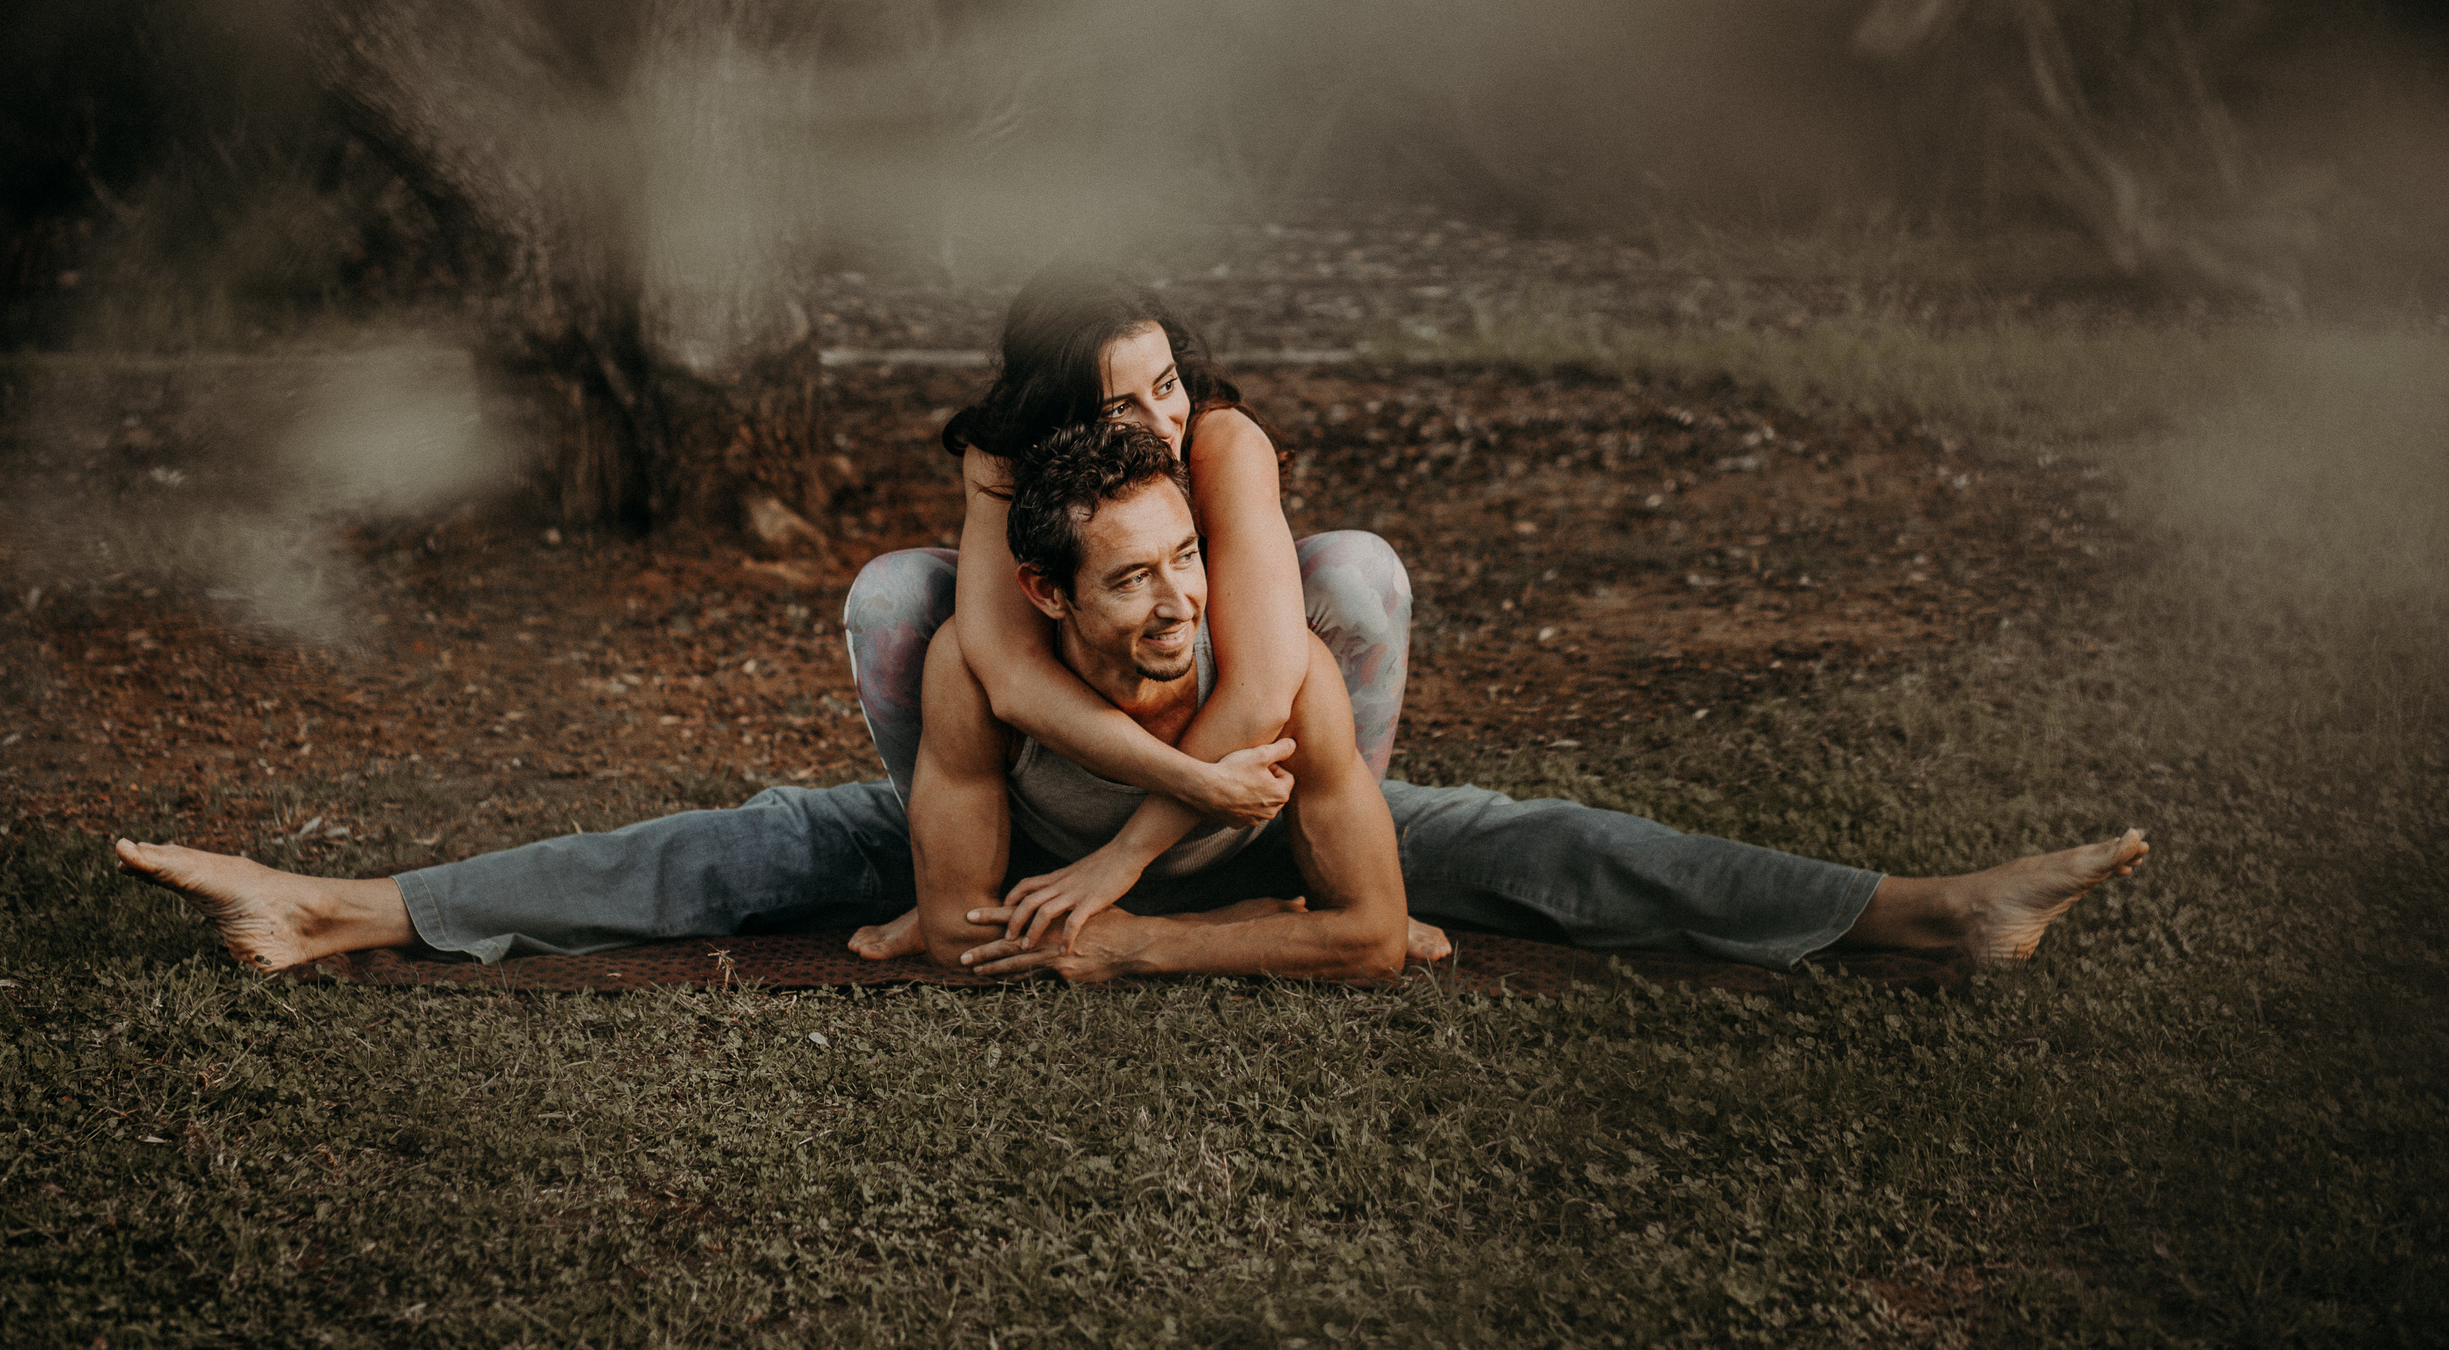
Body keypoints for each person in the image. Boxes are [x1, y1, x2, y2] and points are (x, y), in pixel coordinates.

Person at [113, 420, 2149, 981]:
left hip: (1246, 839)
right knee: (732, 845)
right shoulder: (976, 666)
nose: (1175, 603)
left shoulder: (1266, 669)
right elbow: (954, 913)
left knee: (1543, 842)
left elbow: (1369, 924)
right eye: (1133, 579)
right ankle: (341, 906)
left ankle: (1919, 908)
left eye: (1189, 561)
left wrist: (1142, 933)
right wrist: (991, 909)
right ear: (1047, 598)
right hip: (1022, 835)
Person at [839, 261, 1416, 961]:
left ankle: (1341, 856)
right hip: (1098, 663)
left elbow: (1263, 688)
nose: (1163, 422)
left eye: (1167, 385)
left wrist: (1121, 860)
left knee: (1358, 574)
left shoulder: (1220, 441)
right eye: (1120, 409)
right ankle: (946, 863)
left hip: (1221, 689)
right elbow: (1011, 674)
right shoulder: (1004, 457)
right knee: (897, 594)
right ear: (1057, 414)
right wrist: (1195, 782)